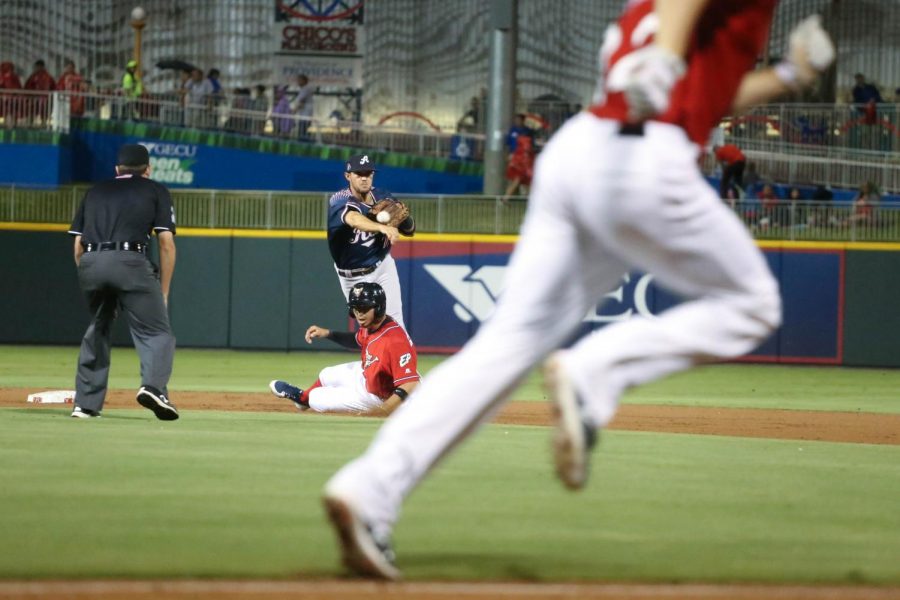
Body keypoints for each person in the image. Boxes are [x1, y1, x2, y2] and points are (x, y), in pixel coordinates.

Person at [320, 0, 835, 580]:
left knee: (507, 343)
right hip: (644, 156)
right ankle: (594, 374)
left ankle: (368, 491)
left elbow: (703, 100)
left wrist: (791, 75)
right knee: (754, 303)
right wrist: (666, 57)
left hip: (582, 149)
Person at [67, 144, 179, 420]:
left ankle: (85, 404)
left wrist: (94, 278)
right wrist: (163, 291)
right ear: (148, 169)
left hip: (91, 263)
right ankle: (153, 388)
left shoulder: (95, 191)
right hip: (130, 261)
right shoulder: (155, 189)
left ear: (117, 169)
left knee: (99, 327)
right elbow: (165, 243)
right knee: (156, 332)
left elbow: (78, 245)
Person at [269, 282, 419, 415]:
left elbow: (410, 383)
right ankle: (302, 399)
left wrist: (384, 410)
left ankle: (308, 400)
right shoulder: (372, 325)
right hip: (371, 378)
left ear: (378, 308)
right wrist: (328, 333)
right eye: (355, 309)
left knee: (317, 398)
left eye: (364, 308)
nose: (359, 314)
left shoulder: (394, 340)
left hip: (384, 397)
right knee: (326, 374)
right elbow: (356, 340)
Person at [327, 154, 415, 329]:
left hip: (383, 267)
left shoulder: (383, 196)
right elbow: (353, 218)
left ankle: (403, 356)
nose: (364, 178)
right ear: (348, 176)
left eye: (368, 173)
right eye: (359, 173)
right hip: (352, 275)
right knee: (371, 329)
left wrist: (404, 218)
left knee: (396, 325)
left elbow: (410, 230)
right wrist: (381, 227)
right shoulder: (339, 199)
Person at [24, 59, 55, 124]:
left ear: (41, 66)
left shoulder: (46, 77)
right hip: (37, 99)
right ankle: (33, 124)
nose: (37, 68)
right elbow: (28, 87)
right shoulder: (35, 76)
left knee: (41, 113)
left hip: (41, 99)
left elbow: (27, 86)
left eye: (37, 67)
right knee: (33, 112)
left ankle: (39, 125)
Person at [289, 73, 315, 138]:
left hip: (305, 114)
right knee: (302, 130)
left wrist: (294, 111)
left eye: (299, 80)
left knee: (302, 131)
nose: (298, 82)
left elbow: (301, 101)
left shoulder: (306, 89)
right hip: (303, 113)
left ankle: (304, 142)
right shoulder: (303, 89)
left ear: (304, 81)